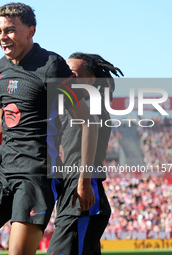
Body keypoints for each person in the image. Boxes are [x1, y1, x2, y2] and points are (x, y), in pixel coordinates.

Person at [0, 3, 96, 255]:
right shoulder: (0, 67)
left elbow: (86, 121)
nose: (3, 37)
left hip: (35, 177)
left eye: (10, 30)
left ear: (30, 31)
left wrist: (84, 180)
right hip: (2, 173)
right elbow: (7, 118)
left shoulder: (51, 65)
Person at [47, 53, 124, 255]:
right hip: (74, 193)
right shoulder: (71, 108)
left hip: (83, 194)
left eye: (72, 74)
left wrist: (84, 182)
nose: (66, 78)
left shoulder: (93, 109)